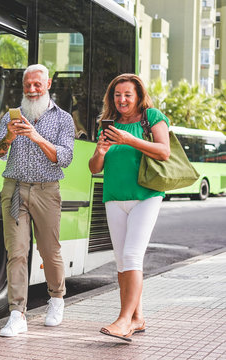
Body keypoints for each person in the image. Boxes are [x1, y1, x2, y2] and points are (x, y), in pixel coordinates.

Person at [0, 64, 75, 337]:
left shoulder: (63, 119)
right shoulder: (11, 117)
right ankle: (17, 314)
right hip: (13, 190)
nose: (32, 90)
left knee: (49, 251)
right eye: (27, 85)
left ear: (48, 84)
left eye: (37, 84)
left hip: (46, 191)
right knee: (16, 252)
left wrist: (36, 138)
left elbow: (65, 157)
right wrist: (9, 137)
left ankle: (57, 298)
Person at [88, 73, 170, 342]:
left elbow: (163, 151)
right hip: (113, 197)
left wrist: (128, 139)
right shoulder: (107, 126)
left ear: (138, 96)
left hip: (146, 195)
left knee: (133, 256)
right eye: (117, 95)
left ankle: (123, 320)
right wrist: (100, 151)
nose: (122, 100)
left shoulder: (152, 117)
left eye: (127, 95)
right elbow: (94, 169)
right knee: (122, 261)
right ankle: (137, 317)